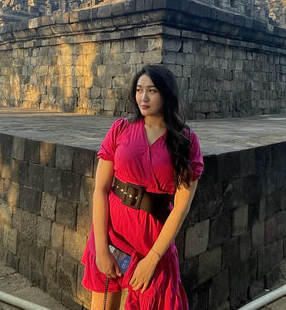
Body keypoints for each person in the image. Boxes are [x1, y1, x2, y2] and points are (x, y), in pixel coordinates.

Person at [81, 65, 204, 310]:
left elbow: (181, 206)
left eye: (152, 90)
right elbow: (101, 190)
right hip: (114, 233)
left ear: (167, 94)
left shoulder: (185, 140)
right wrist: (101, 248)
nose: (143, 98)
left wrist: (153, 259)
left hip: (153, 241)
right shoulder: (121, 129)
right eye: (139, 90)